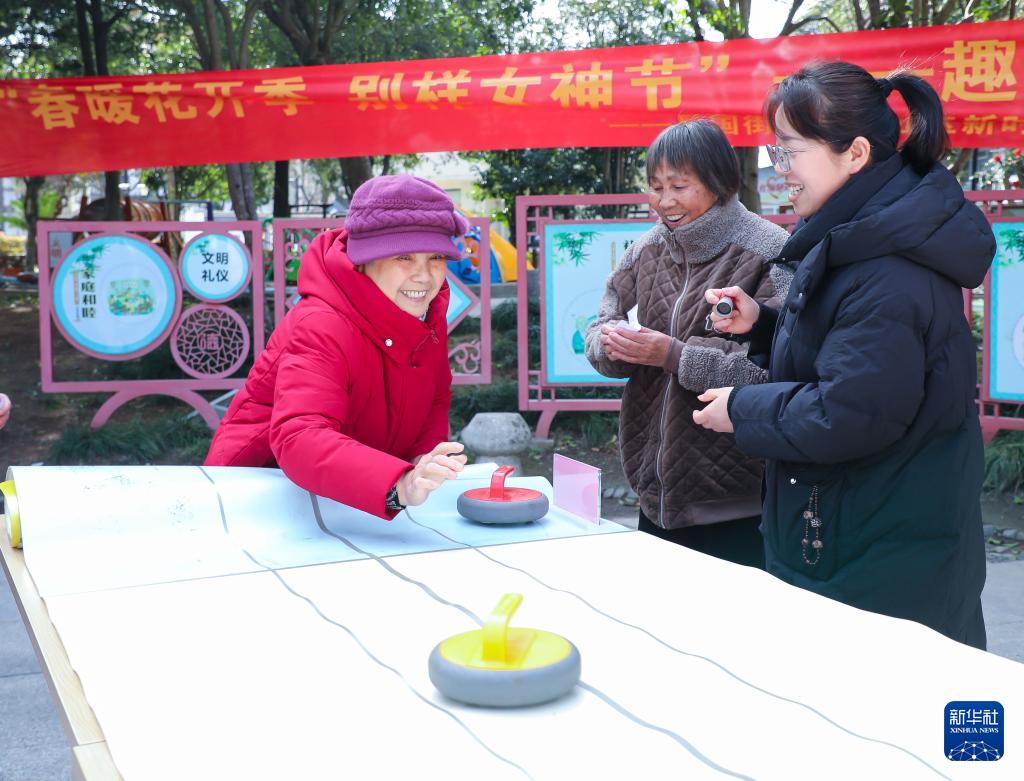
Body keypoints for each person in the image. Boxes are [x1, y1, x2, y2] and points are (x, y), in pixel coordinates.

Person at [694, 62, 994, 649]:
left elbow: (851, 411)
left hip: (878, 558)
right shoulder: (865, 236)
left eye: (790, 152)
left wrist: (743, 409)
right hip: (857, 533)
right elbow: (853, 356)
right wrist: (765, 326)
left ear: (854, 154)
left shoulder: (888, 265)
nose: (781, 171)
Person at [584, 119, 790, 568]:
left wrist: (672, 355)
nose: (665, 201)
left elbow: (778, 367)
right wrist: (611, 345)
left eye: (680, 186)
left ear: (718, 182)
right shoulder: (646, 249)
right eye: (655, 186)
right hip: (652, 491)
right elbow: (601, 323)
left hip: (736, 501)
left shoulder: (771, 250)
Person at [206, 175, 469, 519]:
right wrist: (398, 486)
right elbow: (301, 436)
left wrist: (422, 460)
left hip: (355, 495)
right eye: (404, 257)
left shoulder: (423, 315)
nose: (424, 275)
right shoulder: (321, 324)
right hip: (260, 495)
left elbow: (434, 395)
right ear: (363, 260)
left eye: (435, 257)